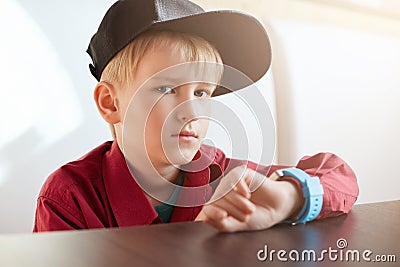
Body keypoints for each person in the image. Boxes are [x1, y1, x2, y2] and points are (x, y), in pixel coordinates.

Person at [33, 0, 358, 233]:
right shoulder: (68, 199)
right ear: (110, 103)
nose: (189, 111)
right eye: (165, 89)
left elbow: (338, 174)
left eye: (202, 93)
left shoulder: (226, 177)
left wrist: (287, 198)